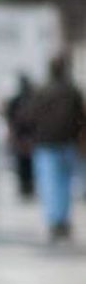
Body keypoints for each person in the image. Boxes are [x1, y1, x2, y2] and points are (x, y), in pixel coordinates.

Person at [27, 55, 85, 241]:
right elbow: (81, 117)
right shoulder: (73, 91)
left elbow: (30, 116)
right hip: (67, 142)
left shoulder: (42, 91)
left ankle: (55, 220)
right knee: (65, 183)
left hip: (46, 143)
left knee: (50, 183)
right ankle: (63, 219)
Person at [5, 74, 36, 200]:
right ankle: (26, 187)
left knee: (24, 164)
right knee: (25, 164)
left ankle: (26, 187)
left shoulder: (18, 100)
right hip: (25, 136)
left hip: (24, 136)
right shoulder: (28, 99)